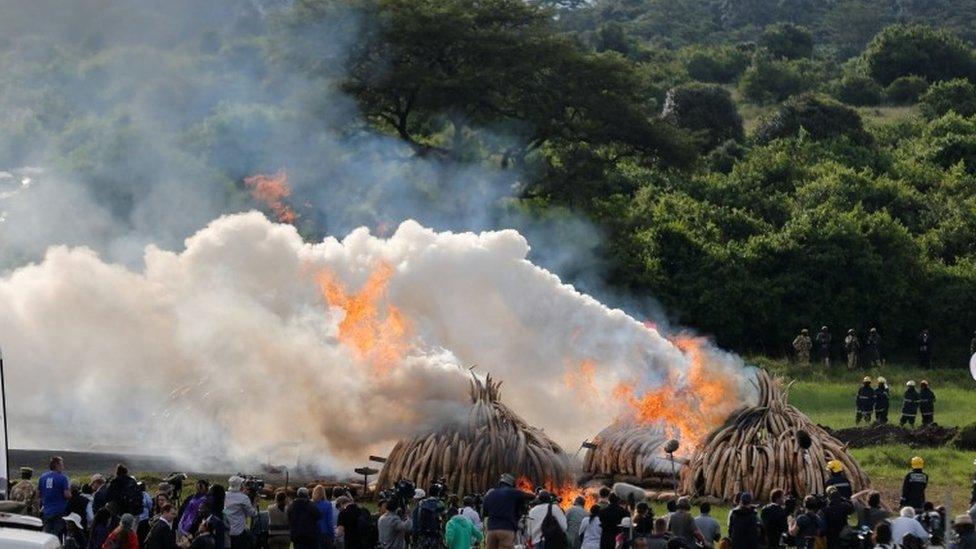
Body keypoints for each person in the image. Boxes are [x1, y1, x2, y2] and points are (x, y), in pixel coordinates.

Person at [483, 473, 533, 549]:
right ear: (511, 484)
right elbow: (530, 496)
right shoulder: (513, 492)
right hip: (506, 529)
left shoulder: (490, 494)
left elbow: (485, 513)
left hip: (491, 531)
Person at [39, 455, 71, 539]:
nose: (63, 467)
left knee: (47, 535)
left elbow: (39, 493)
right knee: (57, 536)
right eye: (61, 465)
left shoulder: (42, 477)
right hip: (59, 511)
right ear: (57, 465)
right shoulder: (63, 478)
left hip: (46, 511)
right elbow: (66, 494)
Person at [225, 476, 257, 548]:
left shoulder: (225, 495)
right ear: (239, 485)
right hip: (239, 531)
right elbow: (251, 513)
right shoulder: (243, 498)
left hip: (227, 529)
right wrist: (254, 504)